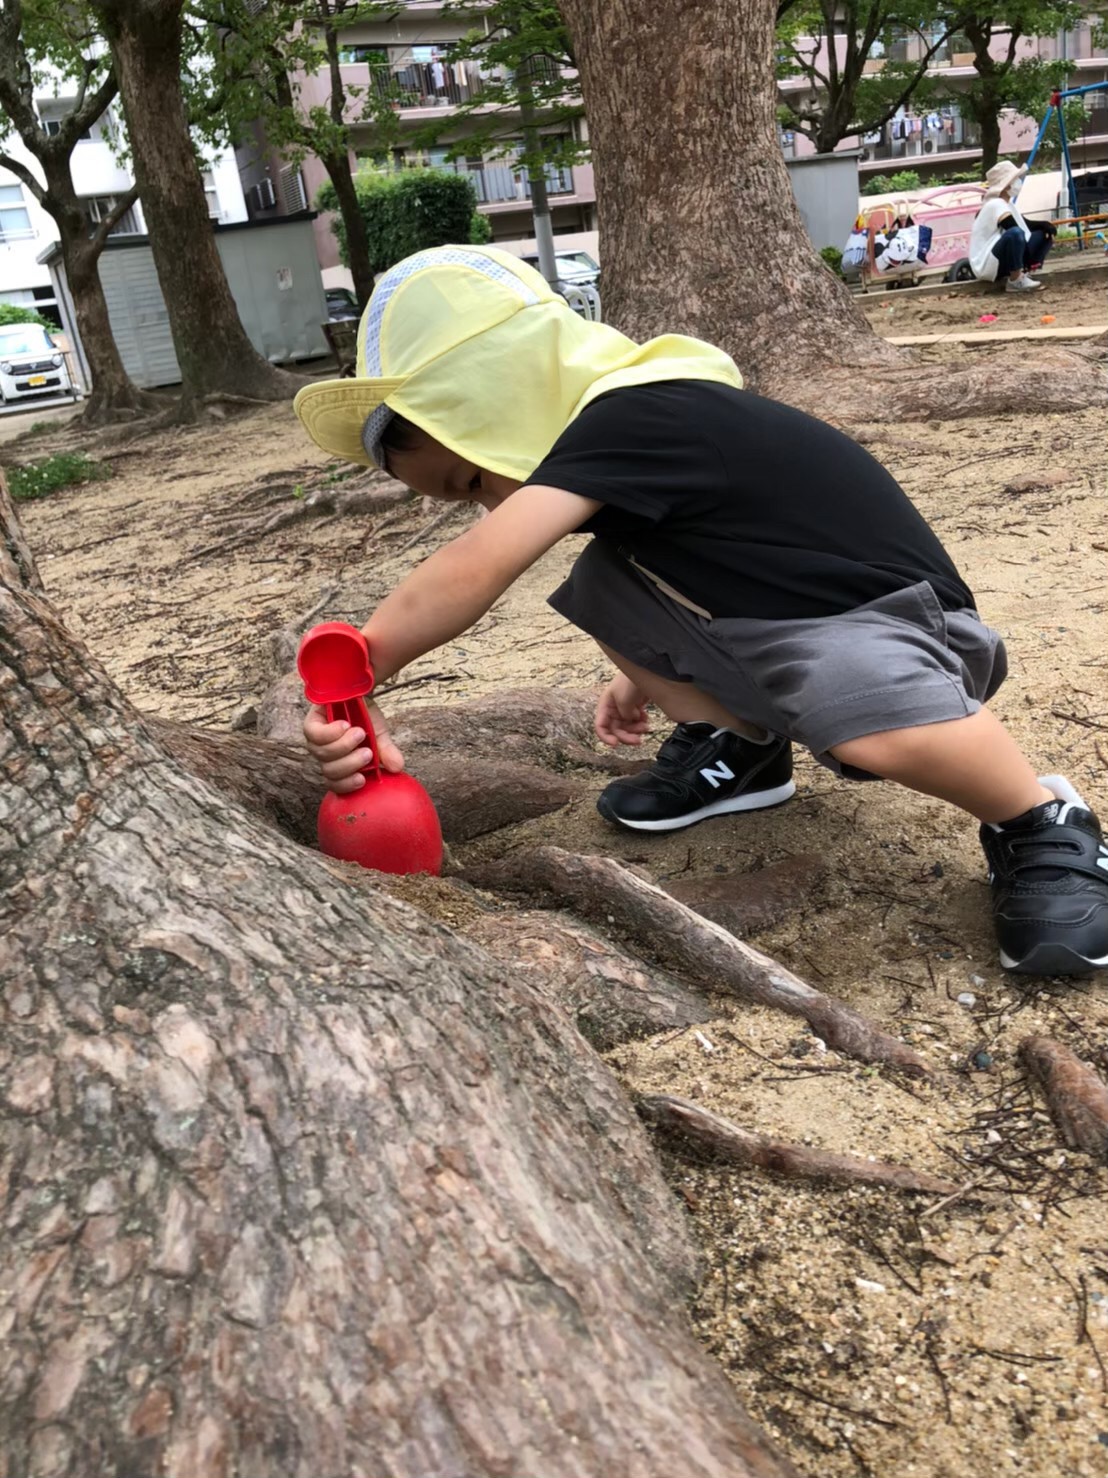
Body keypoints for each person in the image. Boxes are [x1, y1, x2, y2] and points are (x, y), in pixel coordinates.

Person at [294, 245, 1108, 977]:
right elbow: (704, 568)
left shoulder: (641, 413)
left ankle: (1040, 820)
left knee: (862, 717)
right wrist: (655, 668)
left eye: (473, 480)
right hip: (797, 633)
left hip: (901, 630)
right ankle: (742, 747)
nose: (488, 508)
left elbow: (480, 565)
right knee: (606, 576)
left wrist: (362, 663)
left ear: (501, 392)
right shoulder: (618, 452)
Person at [970, 160, 1057, 292]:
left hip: (999, 259)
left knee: (1043, 234)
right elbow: (1012, 227)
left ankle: (1025, 272)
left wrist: (1046, 226)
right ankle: (1016, 279)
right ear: (1006, 185)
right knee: (1015, 233)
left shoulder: (1007, 205)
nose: (1018, 182)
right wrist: (1027, 254)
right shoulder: (995, 204)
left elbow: (1026, 224)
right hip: (987, 264)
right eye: (1015, 179)